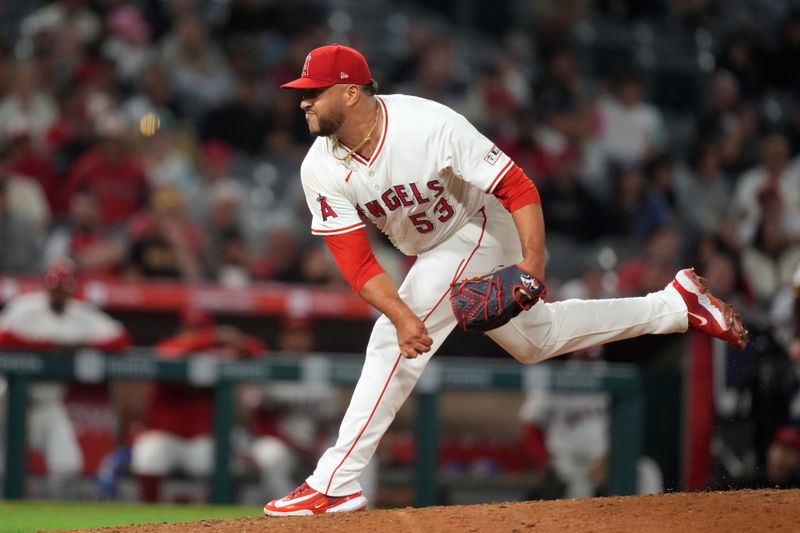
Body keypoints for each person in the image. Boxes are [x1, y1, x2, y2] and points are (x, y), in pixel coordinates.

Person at [263, 44, 749, 516]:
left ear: (350, 93)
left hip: (483, 220)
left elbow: (517, 185)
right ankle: (676, 305)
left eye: (315, 90)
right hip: (431, 248)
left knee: (390, 342)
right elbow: (358, 265)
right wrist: (402, 312)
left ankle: (334, 483)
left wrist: (532, 268)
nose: (303, 100)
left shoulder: (427, 125)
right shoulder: (320, 166)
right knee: (537, 341)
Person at [0, 258, 130, 498]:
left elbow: (120, 339)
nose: (59, 292)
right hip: (10, 404)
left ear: (72, 289)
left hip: (48, 406)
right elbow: (3, 337)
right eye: (54, 286)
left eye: (64, 287)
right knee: (3, 471)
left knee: (68, 465)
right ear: (46, 286)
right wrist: (48, 346)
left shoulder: (80, 314)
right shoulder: (27, 307)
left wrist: (81, 344)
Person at [130, 307, 265, 502]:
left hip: (201, 439)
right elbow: (166, 352)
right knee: (148, 455)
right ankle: (145, 518)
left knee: (223, 464)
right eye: (189, 329)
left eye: (199, 329)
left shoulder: (216, 356)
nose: (193, 334)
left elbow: (257, 351)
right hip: (165, 435)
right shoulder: (172, 348)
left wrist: (236, 340)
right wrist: (210, 337)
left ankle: (214, 520)